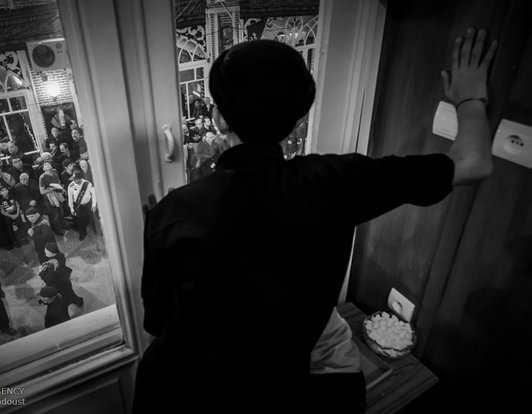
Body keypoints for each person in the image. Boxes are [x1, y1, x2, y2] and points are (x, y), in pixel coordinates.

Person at [133, 30, 497, 414]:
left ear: (219, 118)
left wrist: (162, 230)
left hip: (190, 390)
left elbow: (157, 325)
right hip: (285, 382)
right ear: (295, 120)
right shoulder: (335, 183)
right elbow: (473, 163)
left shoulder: (172, 212)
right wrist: (470, 99)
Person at [39, 242, 83, 306]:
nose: (44, 250)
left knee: (65, 297)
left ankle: (75, 302)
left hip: (59, 284)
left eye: (46, 250)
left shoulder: (53, 264)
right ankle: (78, 301)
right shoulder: (59, 255)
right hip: (64, 281)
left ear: (52, 253)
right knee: (70, 293)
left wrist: (41, 273)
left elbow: (49, 280)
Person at [67, 170, 97, 241]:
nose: (74, 181)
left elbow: (93, 194)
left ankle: (97, 230)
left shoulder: (88, 184)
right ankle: (83, 233)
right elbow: (70, 198)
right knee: (80, 220)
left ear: (80, 178)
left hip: (88, 204)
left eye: (75, 179)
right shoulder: (70, 186)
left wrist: (94, 204)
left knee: (92, 218)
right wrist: (71, 208)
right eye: (73, 179)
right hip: (78, 206)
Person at [39, 161, 65, 235]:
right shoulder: (42, 177)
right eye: (45, 165)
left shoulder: (54, 172)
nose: (47, 165)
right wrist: (52, 189)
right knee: (55, 214)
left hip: (58, 193)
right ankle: (57, 229)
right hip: (50, 197)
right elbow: (42, 191)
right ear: (43, 168)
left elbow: (58, 182)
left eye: (48, 164)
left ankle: (62, 225)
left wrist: (61, 188)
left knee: (61, 211)